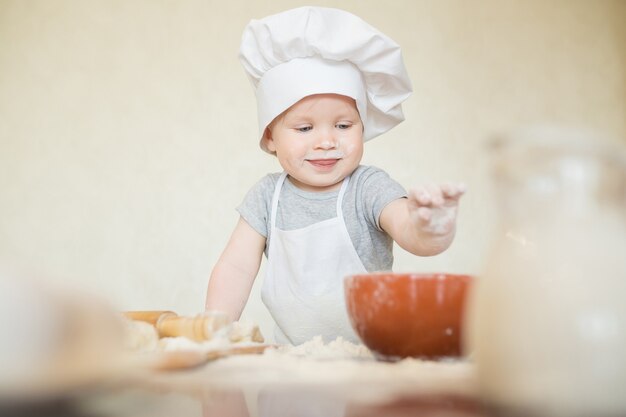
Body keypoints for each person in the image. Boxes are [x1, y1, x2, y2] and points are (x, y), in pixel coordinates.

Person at [205, 6, 465, 345]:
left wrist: (430, 227)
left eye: (343, 125)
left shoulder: (368, 188)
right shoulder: (267, 198)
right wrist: (211, 332)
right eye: (304, 127)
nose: (327, 141)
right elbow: (236, 268)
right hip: (290, 362)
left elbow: (409, 230)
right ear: (270, 137)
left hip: (367, 362)